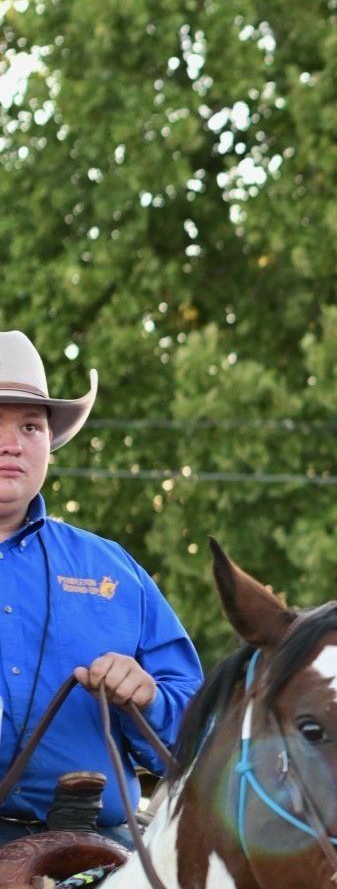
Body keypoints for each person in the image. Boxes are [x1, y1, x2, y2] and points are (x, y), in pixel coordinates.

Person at [0, 330, 201, 849]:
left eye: (30, 426)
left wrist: (149, 698)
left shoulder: (114, 569)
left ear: (49, 442)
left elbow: (196, 736)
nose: (12, 444)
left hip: (102, 851)